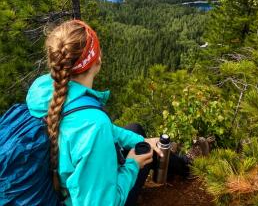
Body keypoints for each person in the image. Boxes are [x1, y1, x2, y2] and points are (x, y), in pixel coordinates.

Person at [26, 19, 164, 206]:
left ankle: (179, 162)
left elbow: (82, 126)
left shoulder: (42, 89)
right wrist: (132, 165)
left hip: (50, 191)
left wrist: (139, 141)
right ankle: (185, 166)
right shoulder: (94, 126)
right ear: (96, 59)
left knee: (136, 131)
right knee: (138, 141)